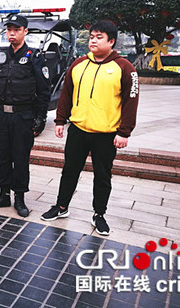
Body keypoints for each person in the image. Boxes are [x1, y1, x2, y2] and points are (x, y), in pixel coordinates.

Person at [41, 20, 139, 236]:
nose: (93, 40)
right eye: (91, 36)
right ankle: (61, 207)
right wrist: (60, 120)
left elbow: (131, 101)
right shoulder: (79, 64)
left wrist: (124, 132)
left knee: (102, 176)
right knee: (69, 170)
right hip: (78, 129)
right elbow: (66, 93)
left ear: (111, 41)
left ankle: (99, 214)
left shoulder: (124, 67)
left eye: (99, 37)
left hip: (106, 134)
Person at [0, 14, 51, 217]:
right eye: (9, 29)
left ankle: (19, 198)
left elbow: (43, 91)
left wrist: (40, 119)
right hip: (1, 116)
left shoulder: (34, 56)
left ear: (25, 31)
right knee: (2, 157)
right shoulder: (0, 55)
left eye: (17, 29)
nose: (12, 33)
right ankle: (3, 194)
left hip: (23, 117)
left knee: (20, 158)